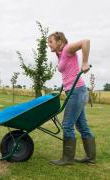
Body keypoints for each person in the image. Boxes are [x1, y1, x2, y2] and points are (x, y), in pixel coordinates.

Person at [47, 32, 96, 165]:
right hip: (74, 91)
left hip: (77, 91)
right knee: (81, 125)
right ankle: (90, 158)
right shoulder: (60, 54)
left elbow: (85, 41)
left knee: (67, 124)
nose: (48, 44)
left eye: (50, 41)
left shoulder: (67, 49)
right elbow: (68, 69)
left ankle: (67, 159)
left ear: (59, 41)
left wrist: (85, 62)